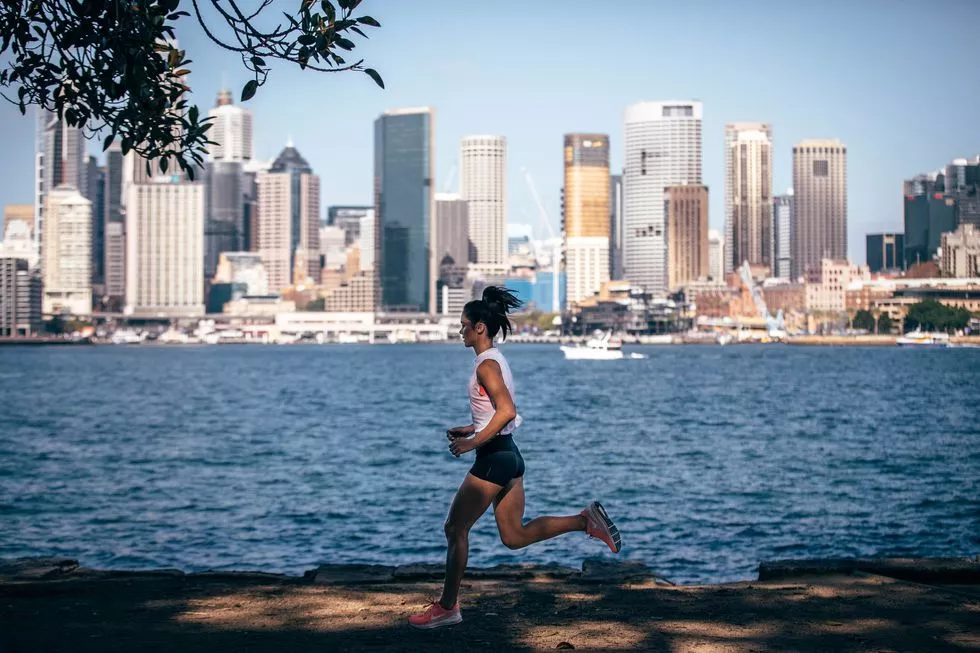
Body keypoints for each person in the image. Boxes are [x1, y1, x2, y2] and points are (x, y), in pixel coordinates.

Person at [409, 286, 622, 630]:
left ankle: (448, 607)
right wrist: (470, 429)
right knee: (513, 537)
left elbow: (507, 411)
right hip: (509, 456)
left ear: (480, 327)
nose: (460, 331)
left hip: (494, 458)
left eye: (464, 325)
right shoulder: (494, 361)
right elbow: (495, 411)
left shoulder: (486, 366)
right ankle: (585, 521)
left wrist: (473, 442)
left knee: (455, 527)